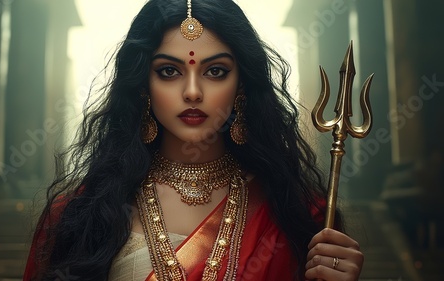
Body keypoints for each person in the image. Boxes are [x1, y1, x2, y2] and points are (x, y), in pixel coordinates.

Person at [24, 0, 364, 280]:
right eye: (169, 71)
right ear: (144, 87)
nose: (192, 92)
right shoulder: (81, 216)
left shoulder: (300, 216)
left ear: (241, 86)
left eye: (215, 71)